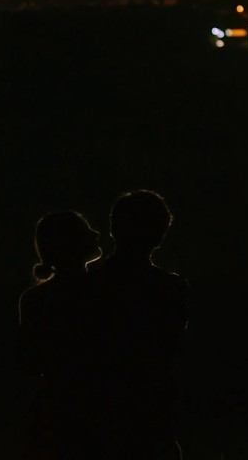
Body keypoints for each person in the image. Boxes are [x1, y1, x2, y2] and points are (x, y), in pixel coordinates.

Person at [88, 190, 189, 460]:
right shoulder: (171, 288)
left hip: (99, 405)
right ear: (160, 235)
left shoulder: (89, 284)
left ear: (114, 229)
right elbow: (173, 349)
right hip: (152, 405)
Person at [18, 211, 103, 459]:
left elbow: (29, 361)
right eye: (85, 230)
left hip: (52, 410)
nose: (96, 233)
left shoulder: (34, 299)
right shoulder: (103, 291)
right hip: (95, 406)